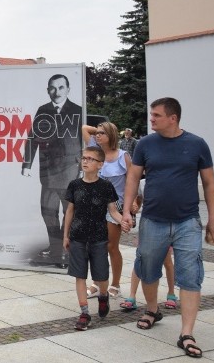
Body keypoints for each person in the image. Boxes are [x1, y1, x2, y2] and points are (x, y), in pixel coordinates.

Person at [120, 97, 214, 359]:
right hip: (153, 219)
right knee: (148, 269)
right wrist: (126, 210)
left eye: (156, 115)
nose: (151, 119)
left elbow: (210, 183)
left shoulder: (196, 144)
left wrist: (213, 219)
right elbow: (133, 177)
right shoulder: (145, 144)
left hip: (187, 221)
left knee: (190, 274)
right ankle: (153, 310)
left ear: (173, 118)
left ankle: (186, 333)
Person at [21, 73, 83, 267]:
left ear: (68, 89)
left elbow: (84, 142)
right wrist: (27, 164)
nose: (56, 92)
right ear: (48, 90)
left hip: (69, 171)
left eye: (61, 87)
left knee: (68, 212)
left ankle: (63, 252)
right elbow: (33, 137)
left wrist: (83, 167)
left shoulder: (78, 111)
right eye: (52, 88)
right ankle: (56, 248)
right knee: (47, 211)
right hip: (47, 171)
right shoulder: (43, 110)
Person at [64, 146, 123, 331]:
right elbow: (70, 211)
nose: (85, 161)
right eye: (84, 158)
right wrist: (66, 235)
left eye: (90, 159)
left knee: (101, 275)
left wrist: (124, 221)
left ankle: (103, 296)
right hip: (78, 237)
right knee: (79, 275)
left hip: (98, 237)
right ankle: (84, 313)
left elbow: (113, 211)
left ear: (100, 164)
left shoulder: (106, 186)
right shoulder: (75, 185)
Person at [81, 121, 131, 299]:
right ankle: (97, 282)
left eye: (103, 133)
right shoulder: (95, 149)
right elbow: (84, 128)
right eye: (98, 133)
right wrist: (99, 130)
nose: (98, 135)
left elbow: (132, 180)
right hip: (95, 204)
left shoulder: (122, 156)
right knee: (95, 245)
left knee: (111, 246)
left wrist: (131, 204)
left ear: (111, 135)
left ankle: (115, 283)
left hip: (115, 205)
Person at [120, 181, 178, 312]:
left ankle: (171, 293)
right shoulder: (142, 183)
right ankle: (132, 296)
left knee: (167, 261)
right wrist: (135, 205)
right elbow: (139, 199)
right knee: (139, 261)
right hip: (148, 227)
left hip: (165, 226)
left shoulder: (167, 179)